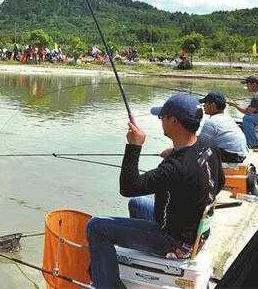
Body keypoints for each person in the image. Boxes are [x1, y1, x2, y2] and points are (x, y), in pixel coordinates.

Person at [86, 94, 224, 288]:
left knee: (96, 227)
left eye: (162, 117)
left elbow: (128, 187)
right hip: (197, 234)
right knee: (137, 203)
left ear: (173, 121)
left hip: (176, 242)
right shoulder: (208, 145)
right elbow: (219, 183)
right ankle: (136, 262)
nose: (160, 121)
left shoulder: (176, 168)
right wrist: (175, 153)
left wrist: (134, 146)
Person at [197, 92, 248, 163]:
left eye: (205, 103)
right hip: (241, 155)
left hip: (231, 156)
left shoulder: (211, 121)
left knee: (197, 154)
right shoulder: (227, 117)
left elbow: (201, 144)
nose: (204, 106)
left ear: (212, 105)